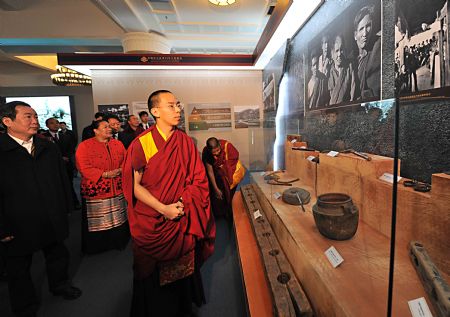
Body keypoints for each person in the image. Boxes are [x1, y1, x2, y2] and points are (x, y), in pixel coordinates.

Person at [122, 89, 215, 317]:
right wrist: (163, 208)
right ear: (155, 111)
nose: (177, 110)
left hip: (181, 214)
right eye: (171, 105)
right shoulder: (143, 144)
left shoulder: (183, 141)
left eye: (178, 105)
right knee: (151, 276)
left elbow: (198, 178)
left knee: (182, 272)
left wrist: (182, 203)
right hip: (152, 217)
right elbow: (134, 186)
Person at [0, 101, 81, 317]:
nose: (35, 121)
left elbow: (62, 179)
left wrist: (66, 206)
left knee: (57, 254)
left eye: (35, 116)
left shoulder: (47, 146)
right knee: (18, 267)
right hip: (17, 220)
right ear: (7, 121)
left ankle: (60, 285)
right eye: (28, 116)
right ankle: (25, 305)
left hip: (51, 213)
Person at [75, 120, 129, 255]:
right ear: (95, 130)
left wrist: (121, 170)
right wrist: (104, 174)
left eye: (110, 126)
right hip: (96, 189)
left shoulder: (117, 144)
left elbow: (126, 159)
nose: (109, 129)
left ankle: (118, 242)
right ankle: (99, 247)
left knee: (118, 216)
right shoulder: (85, 146)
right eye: (105, 127)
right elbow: (83, 167)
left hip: (117, 186)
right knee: (98, 219)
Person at [43, 118, 80, 209]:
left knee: (69, 184)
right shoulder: (43, 137)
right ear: (47, 126)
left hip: (67, 165)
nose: (55, 125)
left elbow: (71, 148)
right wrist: (60, 158)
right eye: (52, 123)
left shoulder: (65, 136)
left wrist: (66, 157)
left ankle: (73, 203)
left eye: (57, 123)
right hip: (53, 166)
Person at [202, 137, 243, 219]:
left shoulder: (227, 146)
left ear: (220, 145)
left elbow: (233, 160)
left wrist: (224, 167)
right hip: (217, 176)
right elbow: (210, 171)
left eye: (218, 150)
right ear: (209, 151)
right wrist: (215, 188)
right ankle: (221, 216)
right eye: (214, 153)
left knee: (230, 195)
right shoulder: (206, 152)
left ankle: (230, 213)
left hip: (229, 175)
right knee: (218, 197)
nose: (217, 153)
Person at [354, 5, 381, 99]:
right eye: (361, 29)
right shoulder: (353, 59)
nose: (365, 33)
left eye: (368, 26)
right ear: (355, 34)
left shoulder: (377, 47)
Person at [328, 34, 359, 105]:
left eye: (341, 50)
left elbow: (353, 95)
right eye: (336, 51)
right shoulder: (329, 73)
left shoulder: (349, 68)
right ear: (332, 54)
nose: (339, 54)